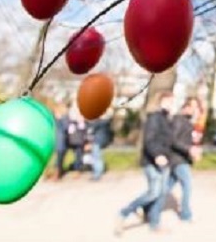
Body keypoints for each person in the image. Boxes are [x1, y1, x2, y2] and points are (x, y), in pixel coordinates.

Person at [116, 91, 174, 235]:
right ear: (160, 101)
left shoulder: (167, 119)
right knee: (154, 192)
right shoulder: (155, 117)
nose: (170, 104)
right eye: (167, 101)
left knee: (161, 193)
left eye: (172, 102)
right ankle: (124, 212)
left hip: (165, 162)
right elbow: (149, 139)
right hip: (152, 161)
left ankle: (154, 223)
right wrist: (157, 155)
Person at [168, 97, 203, 222]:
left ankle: (148, 207)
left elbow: (185, 140)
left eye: (196, 108)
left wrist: (194, 149)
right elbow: (173, 140)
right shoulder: (178, 120)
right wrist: (189, 149)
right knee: (187, 185)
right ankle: (186, 214)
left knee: (166, 187)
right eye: (192, 107)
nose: (194, 110)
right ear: (185, 107)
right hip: (177, 160)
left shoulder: (187, 122)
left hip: (181, 159)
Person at [87, 113, 114, 181]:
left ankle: (97, 175)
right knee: (99, 157)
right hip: (102, 141)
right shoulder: (107, 122)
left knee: (97, 158)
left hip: (97, 141)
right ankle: (98, 173)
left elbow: (91, 130)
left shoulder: (99, 122)